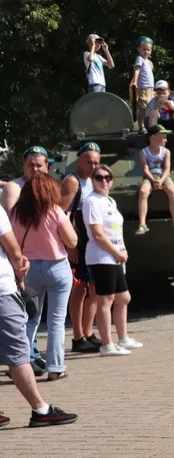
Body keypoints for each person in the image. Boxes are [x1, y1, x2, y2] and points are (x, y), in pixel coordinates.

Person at [0, 203, 78, 428]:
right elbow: (14, 251)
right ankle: (41, 409)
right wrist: (20, 267)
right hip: (3, 291)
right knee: (18, 352)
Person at [11, 173, 77, 381]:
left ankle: (22, 366)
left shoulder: (15, 214)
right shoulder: (55, 211)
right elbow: (72, 241)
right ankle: (56, 367)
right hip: (57, 268)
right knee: (56, 320)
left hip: (28, 269)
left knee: (29, 318)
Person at [83, 165, 141, 356]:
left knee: (123, 298)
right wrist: (116, 253)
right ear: (92, 180)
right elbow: (98, 235)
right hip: (102, 256)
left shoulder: (109, 200)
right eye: (99, 178)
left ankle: (123, 338)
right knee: (105, 300)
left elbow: (115, 230)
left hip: (115, 255)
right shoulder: (92, 202)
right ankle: (107, 344)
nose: (104, 181)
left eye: (108, 177)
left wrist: (121, 251)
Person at [61, 142, 101, 354]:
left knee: (93, 289)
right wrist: (70, 245)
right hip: (78, 242)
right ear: (79, 161)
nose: (93, 166)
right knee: (79, 289)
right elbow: (60, 214)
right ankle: (78, 337)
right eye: (89, 161)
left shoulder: (93, 181)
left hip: (92, 242)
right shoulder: (72, 181)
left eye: (96, 162)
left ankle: (88, 332)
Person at [136, 125, 174, 235]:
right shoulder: (143, 152)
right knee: (143, 192)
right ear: (153, 138)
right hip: (150, 177)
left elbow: (167, 168)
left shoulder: (166, 151)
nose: (166, 140)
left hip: (163, 176)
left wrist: (161, 181)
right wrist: (153, 180)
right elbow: (145, 168)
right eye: (163, 137)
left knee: (172, 191)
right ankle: (142, 223)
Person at [0, 146, 50, 212]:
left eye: (39, 165)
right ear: (24, 165)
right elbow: (11, 218)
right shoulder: (13, 188)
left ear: (46, 167)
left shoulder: (51, 188)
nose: (35, 169)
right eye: (31, 165)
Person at [130, 36, 155, 134]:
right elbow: (137, 70)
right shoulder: (139, 59)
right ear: (139, 49)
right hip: (144, 87)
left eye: (148, 50)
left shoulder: (149, 62)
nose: (146, 52)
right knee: (144, 107)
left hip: (150, 88)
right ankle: (143, 126)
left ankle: (148, 126)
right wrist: (135, 82)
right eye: (144, 49)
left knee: (150, 106)